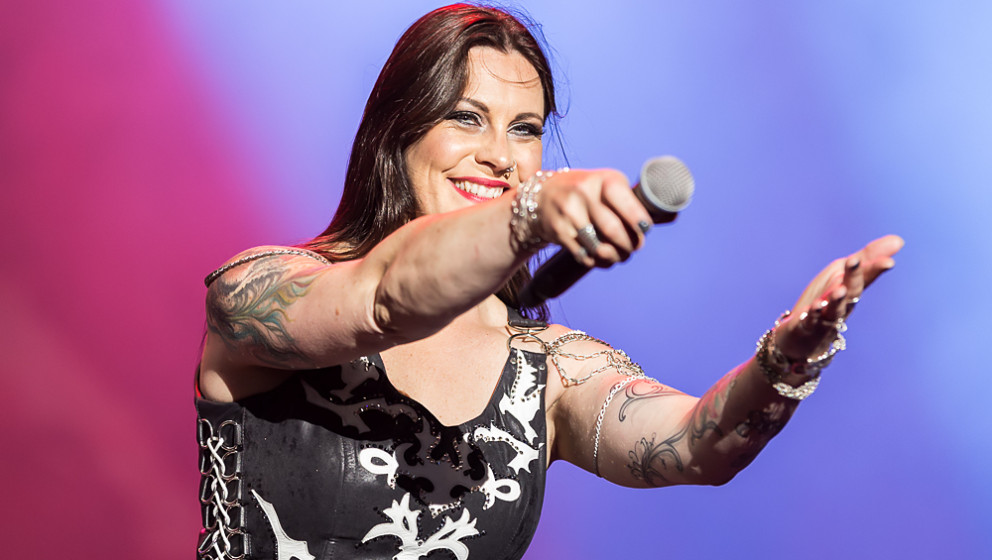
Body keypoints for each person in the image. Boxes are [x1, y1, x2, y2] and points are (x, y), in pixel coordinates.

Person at [194, 4, 903, 560]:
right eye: (467, 117)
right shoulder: (261, 290)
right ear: (397, 131)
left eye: (525, 129)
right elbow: (384, 299)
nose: (500, 156)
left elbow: (695, 447)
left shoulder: (549, 370)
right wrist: (531, 214)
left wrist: (786, 358)